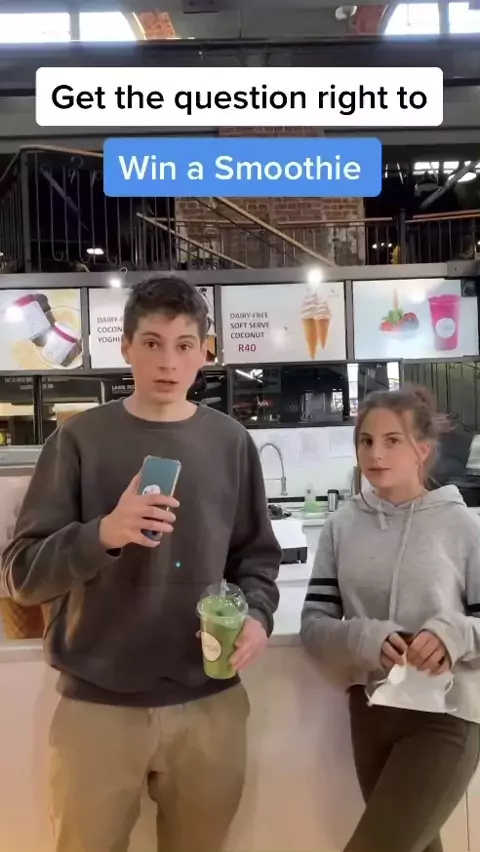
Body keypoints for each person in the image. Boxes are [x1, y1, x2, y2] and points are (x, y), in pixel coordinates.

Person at [1, 276, 281, 852]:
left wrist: (257, 615)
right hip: (97, 709)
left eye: (184, 345)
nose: (168, 361)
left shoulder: (231, 442)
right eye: (152, 342)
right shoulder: (78, 441)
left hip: (209, 702)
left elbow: (256, 557)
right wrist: (103, 533)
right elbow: (22, 574)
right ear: (126, 346)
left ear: (205, 353)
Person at [301, 385, 480, 852]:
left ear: (423, 449)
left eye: (392, 441)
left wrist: (452, 634)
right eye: (366, 441)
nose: (375, 454)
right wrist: (367, 638)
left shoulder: (462, 526)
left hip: (446, 717)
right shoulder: (341, 526)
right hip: (372, 714)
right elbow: (314, 625)